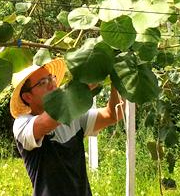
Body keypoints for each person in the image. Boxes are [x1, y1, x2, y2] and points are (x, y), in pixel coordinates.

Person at [10, 58, 124, 196]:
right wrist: (83, 87)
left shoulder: (72, 116)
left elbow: (113, 115)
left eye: (51, 78)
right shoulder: (23, 124)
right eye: (43, 83)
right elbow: (47, 122)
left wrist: (116, 80)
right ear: (28, 97)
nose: (52, 85)